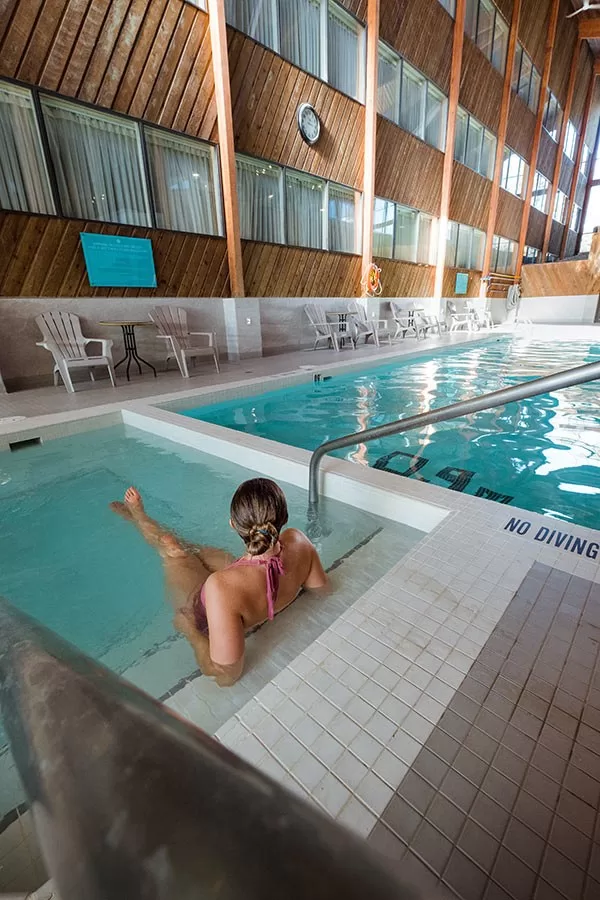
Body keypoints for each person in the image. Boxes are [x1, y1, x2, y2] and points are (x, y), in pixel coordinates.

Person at [110, 478, 328, 687]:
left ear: (233, 525)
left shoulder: (220, 587)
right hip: (243, 580)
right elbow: (320, 590)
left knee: (172, 550)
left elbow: (225, 675)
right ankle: (140, 519)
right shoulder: (298, 540)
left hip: (227, 593)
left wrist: (190, 631)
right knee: (187, 548)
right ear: (285, 518)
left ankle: (138, 516)